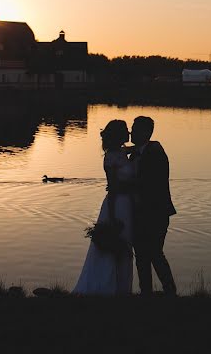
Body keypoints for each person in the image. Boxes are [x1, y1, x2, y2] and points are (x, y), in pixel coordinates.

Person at [72, 119, 135, 295]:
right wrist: (114, 217)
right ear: (118, 134)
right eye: (125, 130)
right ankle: (107, 286)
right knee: (115, 243)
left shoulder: (121, 153)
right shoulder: (111, 157)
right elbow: (113, 187)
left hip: (126, 204)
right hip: (117, 204)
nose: (129, 133)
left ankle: (121, 287)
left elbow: (130, 150)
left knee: (125, 244)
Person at [130, 115, 177, 296]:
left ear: (145, 132)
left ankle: (169, 290)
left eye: (134, 129)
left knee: (154, 252)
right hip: (140, 212)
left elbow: (149, 182)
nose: (131, 132)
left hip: (156, 212)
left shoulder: (155, 152)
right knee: (141, 255)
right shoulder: (139, 151)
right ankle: (146, 293)